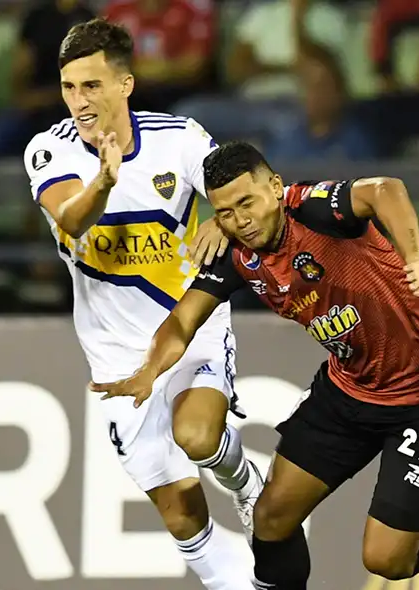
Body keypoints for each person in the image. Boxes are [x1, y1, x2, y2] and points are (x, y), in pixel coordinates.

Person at [90, 141, 419, 589]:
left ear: (274, 186)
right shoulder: (237, 254)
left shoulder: (314, 210)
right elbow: (182, 321)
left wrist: (415, 261)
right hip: (347, 390)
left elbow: (386, 189)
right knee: (270, 518)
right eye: (225, 212)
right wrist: (150, 370)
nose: (241, 221)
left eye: (247, 202)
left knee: (387, 559)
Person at [22, 19, 262, 590]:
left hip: (190, 325)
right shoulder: (47, 151)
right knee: (181, 514)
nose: (78, 101)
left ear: (125, 84)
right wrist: (102, 183)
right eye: (69, 87)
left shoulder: (178, 138)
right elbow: (70, 218)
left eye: (92, 86)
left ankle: (247, 482)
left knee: (198, 436)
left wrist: (222, 226)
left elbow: (236, 191)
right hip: (115, 355)